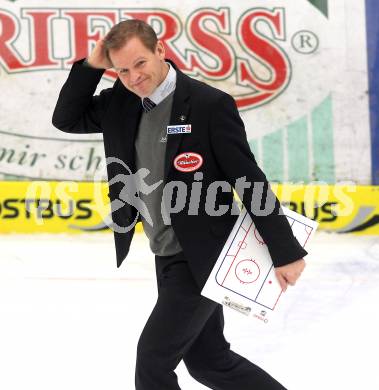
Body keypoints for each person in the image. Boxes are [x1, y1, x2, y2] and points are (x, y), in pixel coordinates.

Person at [52, 19, 307, 390]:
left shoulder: (208, 105)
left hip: (206, 253)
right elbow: (66, 119)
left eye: (140, 63)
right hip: (167, 252)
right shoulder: (121, 104)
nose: (134, 77)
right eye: (122, 70)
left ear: (160, 50)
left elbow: (248, 179)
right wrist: (92, 66)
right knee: (209, 362)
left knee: (153, 362)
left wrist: (284, 251)